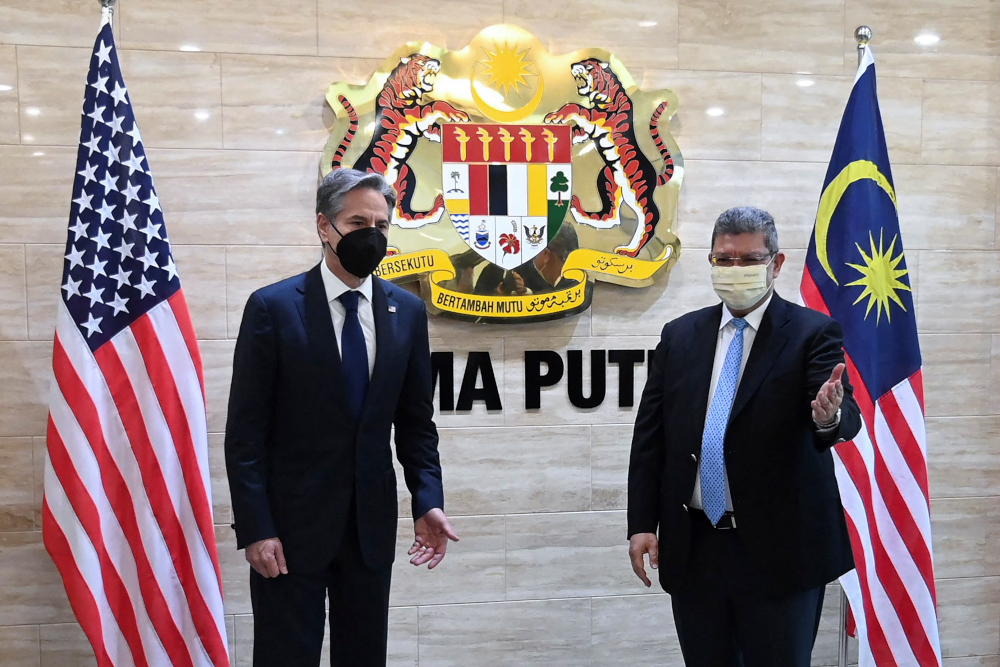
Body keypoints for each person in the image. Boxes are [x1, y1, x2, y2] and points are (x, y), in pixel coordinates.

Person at [225, 168, 458, 666]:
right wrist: (256, 527)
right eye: (357, 223)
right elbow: (245, 434)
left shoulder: (407, 313)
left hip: (369, 530)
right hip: (287, 533)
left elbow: (416, 425)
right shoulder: (273, 308)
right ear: (323, 227)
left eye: (381, 224)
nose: (371, 235)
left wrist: (427, 500)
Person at [627, 206, 861, 666]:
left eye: (749, 259)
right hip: (696, 547)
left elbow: (839, 414)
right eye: (725, 259)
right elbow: (650, 439)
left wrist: (829, 415)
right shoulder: (680, 336)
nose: (736, 270)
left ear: (776, 264)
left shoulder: (811, 333)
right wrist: (641, 523)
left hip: (781, 551)